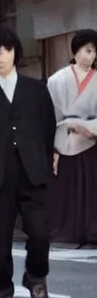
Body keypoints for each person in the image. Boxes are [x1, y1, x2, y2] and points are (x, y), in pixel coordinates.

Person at [0, 27, 56, 298]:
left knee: (40, 231)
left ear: (15, 53)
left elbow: (48, 128)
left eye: (5, 50)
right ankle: (3, 291)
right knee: (0, 235)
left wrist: (44, 163)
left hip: (33, 171)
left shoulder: (37, 89)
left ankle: (35, 275)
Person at [47, 29, 97, 246]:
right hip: (65, 136)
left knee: (91, 188)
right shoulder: (57, 79)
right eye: (87, 50)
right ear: (75, 51)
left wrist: (88, 127)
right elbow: (52, 114)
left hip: (92, 138)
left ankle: (91, 230)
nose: (91, 56)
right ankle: (67, 229)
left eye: (95, 52)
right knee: (68, 188)